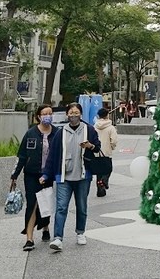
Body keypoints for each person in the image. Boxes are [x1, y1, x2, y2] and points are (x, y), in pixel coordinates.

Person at [41, 103, 101, 252]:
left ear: (81, 114)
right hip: (64, 177)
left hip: (83, 176)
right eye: (71, 112)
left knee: (82, 206)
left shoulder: (89, 130)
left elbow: (98, 147)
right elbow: (52, 156)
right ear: (67, 115)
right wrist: (46, 174)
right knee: (61, 208)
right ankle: (58, 238)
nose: (74, 115)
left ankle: (80, 232)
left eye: (76, 112)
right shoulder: (60, 133)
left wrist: (90, 146)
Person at [11, 104, 55, 250]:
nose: (47, 116)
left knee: (46, 204)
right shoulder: (30, 133)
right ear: (38, 116)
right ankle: (29, 239)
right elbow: (22, 156)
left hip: (48, 175)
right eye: (44, 113)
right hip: (31, 175)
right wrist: (14, 175)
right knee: (32, 204)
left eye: (50, 113)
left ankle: (45, 227)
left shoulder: (57, 133)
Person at [93, 107, 119, 197]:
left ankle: (100, 191)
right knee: (108, 169)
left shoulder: (94, 127)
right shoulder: (111, 128)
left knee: (98, 172)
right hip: (106, 152)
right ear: (107, 115)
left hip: (96, 152)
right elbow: (114, 140)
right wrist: (112, 147)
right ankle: (104, 181)